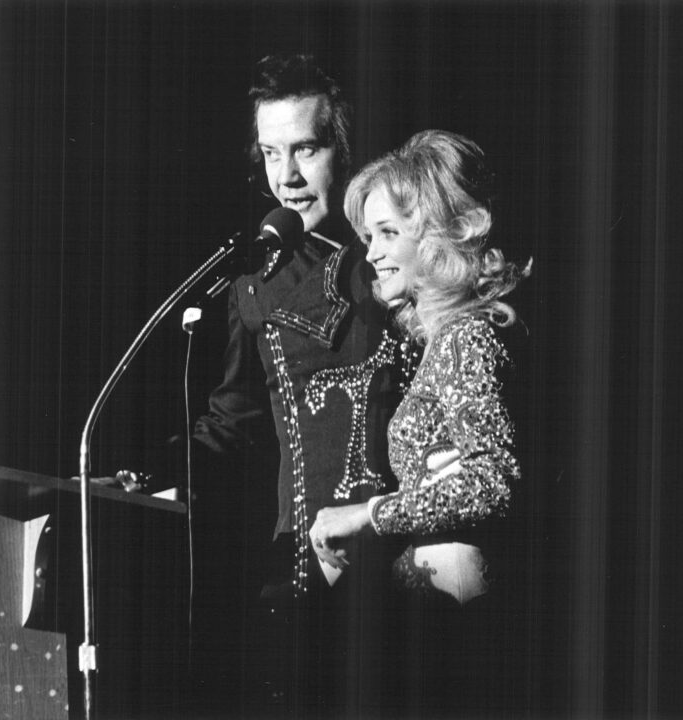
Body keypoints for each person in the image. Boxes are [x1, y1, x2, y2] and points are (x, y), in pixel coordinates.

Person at [188, 55, 415, 717]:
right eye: (269, 154)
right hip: (300, 570)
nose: (285, 178)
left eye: (306, 150)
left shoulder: (396, 255)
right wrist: (148, 472)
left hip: (408, 552)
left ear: (343, 148)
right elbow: (232, 420)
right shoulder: (251, 285)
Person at [308, 129, 531, 717]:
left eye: (388, 233)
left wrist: (369, 515)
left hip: (462, 625)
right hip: (435, 621)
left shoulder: (467, 337)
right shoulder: (447, 340)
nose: (372, 253)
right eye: (365, 236)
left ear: (436, 240)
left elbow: (492, 480)